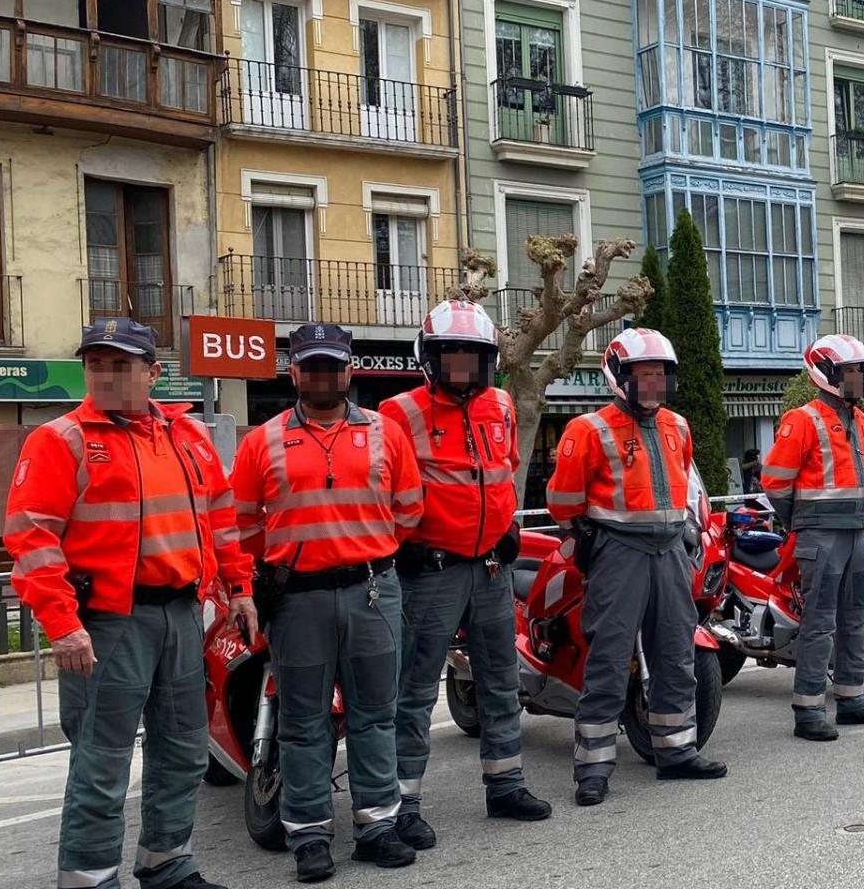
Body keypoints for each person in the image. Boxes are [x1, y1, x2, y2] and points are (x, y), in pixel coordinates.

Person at [5, 319, 253, 889]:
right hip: (108, 625)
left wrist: (239, 590)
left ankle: (166, 863)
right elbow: (31, 536)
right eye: (97, 364)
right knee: (102, 762)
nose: (108, 376)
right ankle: (90, 878)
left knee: (185, 750)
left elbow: (221, 522)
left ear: (153, 373)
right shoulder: (59, 439)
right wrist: (63, 625)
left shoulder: (186, 437)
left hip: (183, 615)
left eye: (122, 364)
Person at [232, 324, 423, 881]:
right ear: (294, 372)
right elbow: (242, 525)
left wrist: (365, 549)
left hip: (371, 590)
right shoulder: (260, 441)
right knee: (303, 721)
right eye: (310, 366)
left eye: (331, 366)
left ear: (348, 370)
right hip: (299, 600)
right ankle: (309, 835)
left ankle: (377, 826)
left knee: (374, 716)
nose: (321, 376)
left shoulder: (387, 433)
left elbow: (408, 510)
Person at [381, 302, 550, 848]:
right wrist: (398, 546)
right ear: (429, 358)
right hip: (430, 569)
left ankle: (505, 785)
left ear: (488, 361)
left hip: (492, 566)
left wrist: (507, 524)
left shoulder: (500, 403)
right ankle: (402, 803)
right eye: (450, 356)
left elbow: (499, 473)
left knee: (501, 678)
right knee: (412, 688)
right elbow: (383, 489)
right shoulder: (398, 412)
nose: (461, 367)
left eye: (472, 357)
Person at [546, 328, 726, 804]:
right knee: (607, 659)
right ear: (619, 377)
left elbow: (685, 485)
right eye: (643, 375)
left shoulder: (678, 426)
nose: (652, 383)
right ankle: (593, 767)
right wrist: (585, 539)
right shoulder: (588, 429)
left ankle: (676, 750)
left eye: (659, 375)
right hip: (618, 553)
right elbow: (563, 500)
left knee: (676, 652)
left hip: (669, 550)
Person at [760, 335, 864, 740]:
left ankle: (852, 698)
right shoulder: (803, 419)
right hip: (819, 533)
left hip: (855, 532)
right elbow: (775, 482)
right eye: (850, 371)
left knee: (856, 618)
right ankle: (808, 709)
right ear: (826, 374)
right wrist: (801, 521)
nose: (859, 378)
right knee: (820, 622)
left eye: (861, 371)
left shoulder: (862, 421)